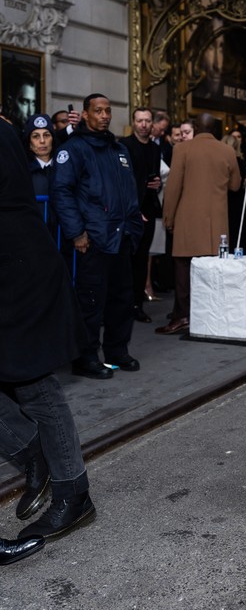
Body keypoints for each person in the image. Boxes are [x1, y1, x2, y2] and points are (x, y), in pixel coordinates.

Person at [0, 119, 95, 543]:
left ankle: (72, 494)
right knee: (30, 385)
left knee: (36, 386)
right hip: (15, 265)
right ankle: (33, 453)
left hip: (20, 274)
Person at [51, 94, 143, 379]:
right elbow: (61, 192)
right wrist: (77, 232)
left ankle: (117, 352)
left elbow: (128, 190)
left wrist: (133, 221)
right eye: (98, 111)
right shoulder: (74, 149)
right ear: (86, 114)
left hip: (122, 236)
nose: (104, 115)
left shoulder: (118, 149)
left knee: (122, 299)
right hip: (93, 239)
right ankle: (86, 357)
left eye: (107, 110)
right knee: (91, 301)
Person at [157, 113, 241, 335]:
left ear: (195, 127)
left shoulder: (182, 149)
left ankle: (182, 315)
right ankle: (212, 316)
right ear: (215, 129)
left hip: (187, 220)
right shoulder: (227, 151)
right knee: (214, 270)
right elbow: (235, 185)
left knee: (183, 269)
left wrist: (169, 217)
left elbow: (173, 187)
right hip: (217, 223)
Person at [120, 107, 162, 324]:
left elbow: (154, 178)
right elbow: (123, 182)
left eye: (147, 120)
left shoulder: (155, 149)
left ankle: (137, 305)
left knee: (141, 260)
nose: (144, 124)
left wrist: (157, 184)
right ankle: (124, 306)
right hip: (130, 212)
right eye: (140, 120)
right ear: (133, 122)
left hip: (148, 209)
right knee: (127, 260)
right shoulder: (124, 146)